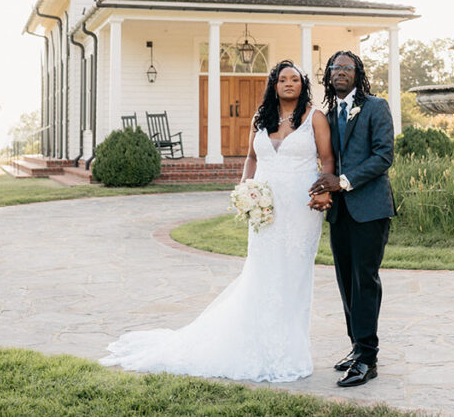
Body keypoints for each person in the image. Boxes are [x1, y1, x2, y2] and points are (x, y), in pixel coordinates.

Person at [101, 60, 335, 383]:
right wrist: (245, 191)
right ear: (274, 84)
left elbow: (328, 158)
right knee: (262, 274)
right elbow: (251, 158)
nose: (289, 84)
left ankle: (289, 348)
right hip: (265, 210)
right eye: (283, 79)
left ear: (303, 84)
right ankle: (257, 342)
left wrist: (323, 189)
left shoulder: (315, 118)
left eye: (295, 79)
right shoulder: (260, 117)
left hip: (299, 211)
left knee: (293, 277)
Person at [309, 50, 395, 388]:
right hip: (340, 212)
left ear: (358, 74)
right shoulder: (328, 114)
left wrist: (342, 182)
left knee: (364, 280)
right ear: (329, 75)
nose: (341, 72)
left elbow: (383, 155)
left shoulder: (376, 107)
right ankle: (356, 346)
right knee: (345, 280)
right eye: (335, 67)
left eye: (348, 67)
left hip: (370, 208)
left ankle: (368, 358)